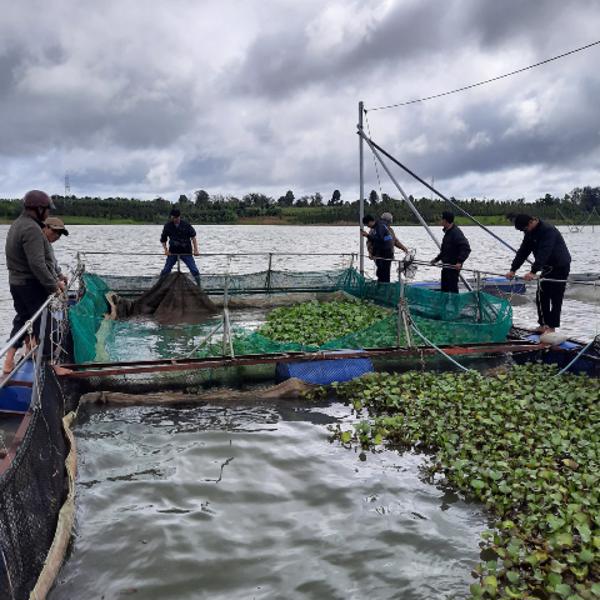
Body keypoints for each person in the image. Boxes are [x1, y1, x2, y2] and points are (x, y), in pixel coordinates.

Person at [4, 190, 64, 373]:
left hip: (16, 282)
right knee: (46, 325)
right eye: (46, 209)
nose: (48, 213)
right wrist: (53, 286)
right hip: (30, 285)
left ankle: (9, 361)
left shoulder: (17, 224)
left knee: (23, 319)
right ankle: (49, 367)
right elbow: (37, 264)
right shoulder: (31, 229)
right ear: (38, 209)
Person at [505, 214, 571, 333]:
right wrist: (513, 269)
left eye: (525, 229)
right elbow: (523, 252)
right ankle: (543, 325)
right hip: (546, 268)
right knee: (541, 296)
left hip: (560, 265)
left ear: (531, 222)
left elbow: (544, 252)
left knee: (556, 297)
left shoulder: (548, 230)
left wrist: (533, 271)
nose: (525, 232)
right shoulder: (529, 232)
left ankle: (551, 327)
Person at [430, 211, 471, 293]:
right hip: (445, 266)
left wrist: (460, 261)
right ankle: (444, 305)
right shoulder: (447, 233)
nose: (440, 221)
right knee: (444, 290)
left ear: (445, 221)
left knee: (453, 290)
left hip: (453, 267)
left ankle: (455, 305)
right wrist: (436, 259)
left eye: (442, 219)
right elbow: (445, 250)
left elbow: (466, 248)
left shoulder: (456, 233)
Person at [362, 212, 408, 283]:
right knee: (381, 273)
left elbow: (395, 241)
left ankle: (385, 286)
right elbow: (369, 243)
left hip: (388, 254)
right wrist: (370, 253)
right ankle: (381, 286)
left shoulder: (389, 230)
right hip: (378, 255)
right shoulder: (374, 230)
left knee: (386, 273)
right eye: (388, 222)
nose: (389, 223)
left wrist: (404, 248)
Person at [159, 208, 201, 285]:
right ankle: (159, 285)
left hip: (186, 252)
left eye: (177, 217)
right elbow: (163, 240)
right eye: (174, 217)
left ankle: (199, 286)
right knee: (166, 270)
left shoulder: (186, 225)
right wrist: (166, 250)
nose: (176, 219)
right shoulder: (168, 226)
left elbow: (193, 237)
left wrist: (196, 250)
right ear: (171, 217)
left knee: (194, 270)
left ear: (180, 217)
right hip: (173, 252)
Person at [43, 217, 69, 283]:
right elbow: (45, 266)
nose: (57, 235)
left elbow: (52, 262)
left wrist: (60, 276)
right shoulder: (37, 242)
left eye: (60, 233)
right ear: (45, 227)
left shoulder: (48, 244)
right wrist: (57, 283)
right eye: (54, 231)